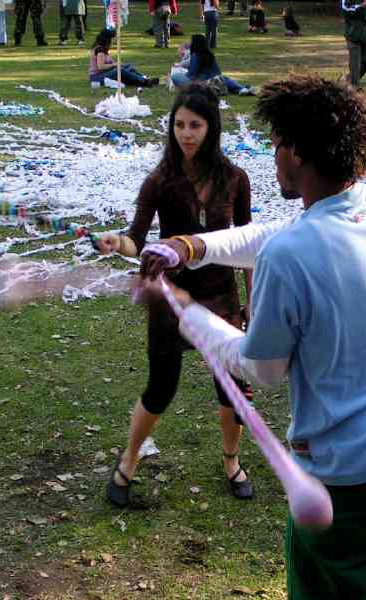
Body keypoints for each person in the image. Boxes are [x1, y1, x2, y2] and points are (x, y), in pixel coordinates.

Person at [139, 75, 366, 600]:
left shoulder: (289, 258)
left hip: (348, 479)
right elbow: (285, 233)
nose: (273, 154)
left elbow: (261, 369)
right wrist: (191, 247)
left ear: (297, 152)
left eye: (278, 142)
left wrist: (187, 311)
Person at [97, 84, 256, 509]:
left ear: (212, 128)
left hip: (221, 300)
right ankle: (127, 462)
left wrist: (251, 302)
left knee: (232, 390)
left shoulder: (235, 180)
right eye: (179, 124)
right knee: (161, 388)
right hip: (172, 301)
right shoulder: (160, 180)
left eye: (196, 125)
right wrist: (119, 242)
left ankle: (231, 460)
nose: (186, 133)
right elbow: (135, 239)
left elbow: (248, 248)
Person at [170, 34, 257, 95]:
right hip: (218, 80)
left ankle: (241, 88)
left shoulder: (196, 55)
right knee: (223, 77)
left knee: (175, 76)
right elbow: (218, 72)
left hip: (203, 84)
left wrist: (182, 74)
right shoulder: (210, 54)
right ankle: (242, 88)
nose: (190, 43)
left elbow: (192, 74)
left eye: (192, 41)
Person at [89, 29, 160, 87]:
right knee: (120, 70)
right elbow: (101, 66)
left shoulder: (103, 49)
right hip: (97, 77)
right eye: (112, 38)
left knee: (128, 66)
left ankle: (143, 78)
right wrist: (114, 65)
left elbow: (110, 63)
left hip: (105, 73)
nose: (113, 40)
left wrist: (118, 64)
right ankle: (144, 81)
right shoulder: (100, 50)